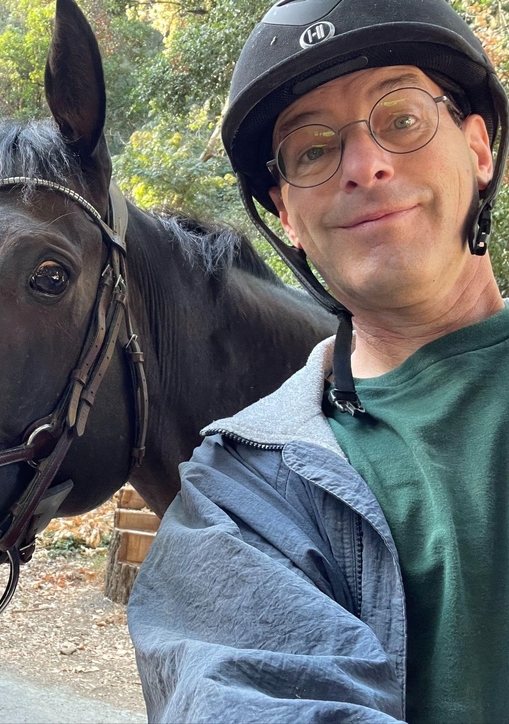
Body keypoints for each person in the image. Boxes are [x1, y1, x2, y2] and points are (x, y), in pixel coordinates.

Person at [126, 0, 509, 721]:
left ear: (479, 150)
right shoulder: (236, 493)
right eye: (313, 150)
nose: (365, 166)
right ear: (287, 217)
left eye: (401, 119)